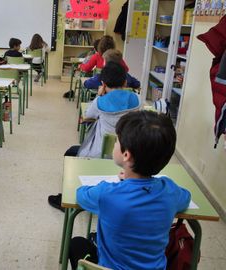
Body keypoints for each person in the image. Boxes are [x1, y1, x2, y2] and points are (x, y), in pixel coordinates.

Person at [68, 110, 191, 269]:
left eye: (117, 141)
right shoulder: (170, 190)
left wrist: (121, 184)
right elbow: (186, 198)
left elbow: (80, 195)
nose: (115, 143)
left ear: (126, 154)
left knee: (76, 243)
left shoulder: (106, 193)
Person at [48, 62, 141, 210]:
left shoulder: (100, 101)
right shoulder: (136, 99)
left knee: (71, 153)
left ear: (103, 83)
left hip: (100, 153)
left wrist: (98, 95)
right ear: (125, 82)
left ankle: (68, 196)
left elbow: (88, 114)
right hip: (127, 155)